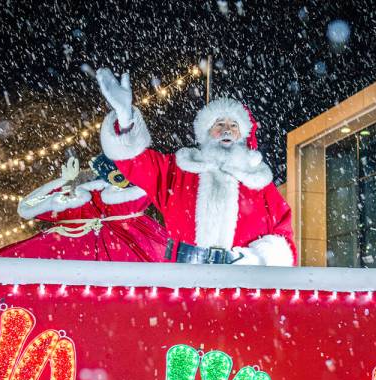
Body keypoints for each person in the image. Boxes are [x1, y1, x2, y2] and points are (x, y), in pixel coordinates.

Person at [96, 68, 296, 266]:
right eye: (219, 124)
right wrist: (125, 119)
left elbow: (283, 236)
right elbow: (135, 162)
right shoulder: (179, 171)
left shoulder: (258, 182)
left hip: (241, 286)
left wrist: (255, 259)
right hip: (185, 282)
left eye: (234, 125)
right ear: (206, 131)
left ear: (242, 135)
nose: (227, 129)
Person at [0, 154, 168, 262]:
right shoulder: (71, 204)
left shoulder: (131, 203)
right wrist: (64, 184)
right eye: (117, 176)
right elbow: (28, 207)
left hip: (127, 246)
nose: (122, 181)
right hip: (70, 251)